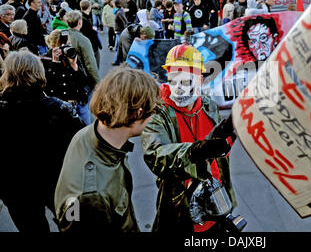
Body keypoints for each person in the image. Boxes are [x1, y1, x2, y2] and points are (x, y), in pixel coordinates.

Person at [140, 44, 237, 233]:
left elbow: (220, 154)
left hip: (216, 205)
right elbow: (157, 156)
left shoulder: (209, 106)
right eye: (172, 81)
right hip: (180, 210)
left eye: (185, 82)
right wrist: (196, 151)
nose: (178, 89)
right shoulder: (158, 114)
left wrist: (229, 135)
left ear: (199, 80)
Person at [54, 66, 162, 232]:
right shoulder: (94, 195)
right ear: (137, 114)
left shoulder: (89, 134)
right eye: (154, 111)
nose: (155, 116)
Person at [0, 50, 85, 233]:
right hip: (65, 185)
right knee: (76, 226)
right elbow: (85, 145)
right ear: (39, 73)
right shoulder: (60, 109)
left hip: (16, 190)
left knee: (31, 229)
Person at [42, 29, 90, 125]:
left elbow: (85, 82)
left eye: (69, 44)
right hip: (62, 108)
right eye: (63, 46)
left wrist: (74, 66)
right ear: (53, 46)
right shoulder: (44, 60)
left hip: (80, 104)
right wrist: (55, 64)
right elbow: (48, 87)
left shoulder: (71, 56)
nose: (67, 48)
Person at [66, 10, 99, 104]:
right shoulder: (83, 40)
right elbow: (90, 63)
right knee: (83, 109)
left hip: (64, 79)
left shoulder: (61, 34)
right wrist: (96, 82)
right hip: (80, 79)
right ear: (79, 22)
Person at [80, 0, 102, 68]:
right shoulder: (85, 19)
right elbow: (90, 34)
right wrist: (94, 31)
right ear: (89, 7)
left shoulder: (82, 17)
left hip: (88, 46)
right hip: (92, 46)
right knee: (95, 67)